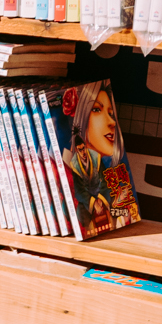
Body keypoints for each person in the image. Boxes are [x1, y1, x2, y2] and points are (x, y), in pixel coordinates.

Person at [62, 80, 139, 234]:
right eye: (97, 109)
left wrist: (102, 202)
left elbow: (104, 183)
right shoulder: (69, 166)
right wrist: (93, 202)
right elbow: (79, 190)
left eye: (111, 114)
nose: (112, 122)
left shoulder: (98, 160)